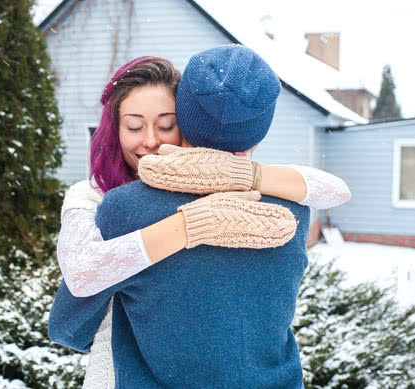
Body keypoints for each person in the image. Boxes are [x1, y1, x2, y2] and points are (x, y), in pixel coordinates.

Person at [54, 49, 350, 388]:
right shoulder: (295, 206)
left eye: (166, 125)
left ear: (186, 118)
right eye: (135, 126)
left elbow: (68, 327)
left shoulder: (124, 209)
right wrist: (195, 220)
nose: (151, 141)